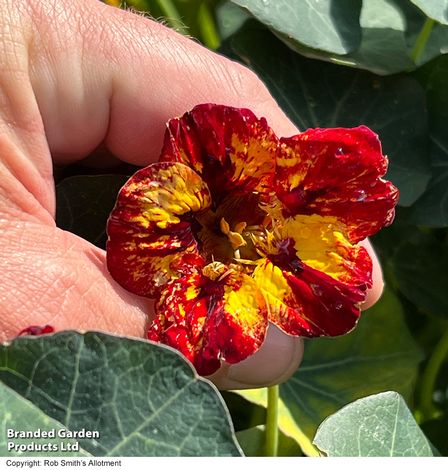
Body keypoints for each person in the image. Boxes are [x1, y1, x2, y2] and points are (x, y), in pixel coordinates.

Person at [0, 0, 384, 389]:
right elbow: (145, 227)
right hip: (190, 228)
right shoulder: (183, 200)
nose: (241, 236)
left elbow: (333, 280)